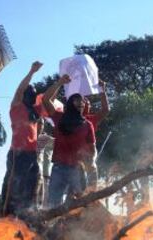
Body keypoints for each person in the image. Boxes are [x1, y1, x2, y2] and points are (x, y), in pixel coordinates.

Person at [43, 75, 97, 207]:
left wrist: (91, 164)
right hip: (58, 168)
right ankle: (51, 227)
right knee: (53, 205)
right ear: (70, 103)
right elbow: (46, 99)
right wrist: (60, 83)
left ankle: (76, 227)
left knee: (80, 204)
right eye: (77, 100)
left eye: (83, 101)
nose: (81, 103)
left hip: (77, 169)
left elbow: (92, 148)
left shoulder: (87, 124)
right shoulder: (59, 118)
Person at [1, 61, 43, 215]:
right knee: (14, 187)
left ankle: (27, 217)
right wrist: (31, 72)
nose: (33, 93)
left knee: (31, 185)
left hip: (32, 155)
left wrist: (59, 82)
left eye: (34, 92)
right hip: (17, 154)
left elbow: (47, 99)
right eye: (30, 91)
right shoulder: (17, 107)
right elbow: (19, 90)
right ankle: (7, 217)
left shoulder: (34, 111)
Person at [81, 80, 110, 191]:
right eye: (84, 102)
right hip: (74, 156)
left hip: (89, 154)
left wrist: (102, 90)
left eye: (88, 103)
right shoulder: (69, 119)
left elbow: (105, 110)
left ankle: (92, 196)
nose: (87, 103)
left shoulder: (91, 119)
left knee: (92, 179)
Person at [35, 118, 54, 208]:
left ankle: (41, 218)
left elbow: (61, 142)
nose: (39, 126)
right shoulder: (28, 136)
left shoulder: (45, 138)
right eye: (38, 123)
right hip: (27, 173)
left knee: (43, 201)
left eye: (41, 124)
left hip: (43, 175)